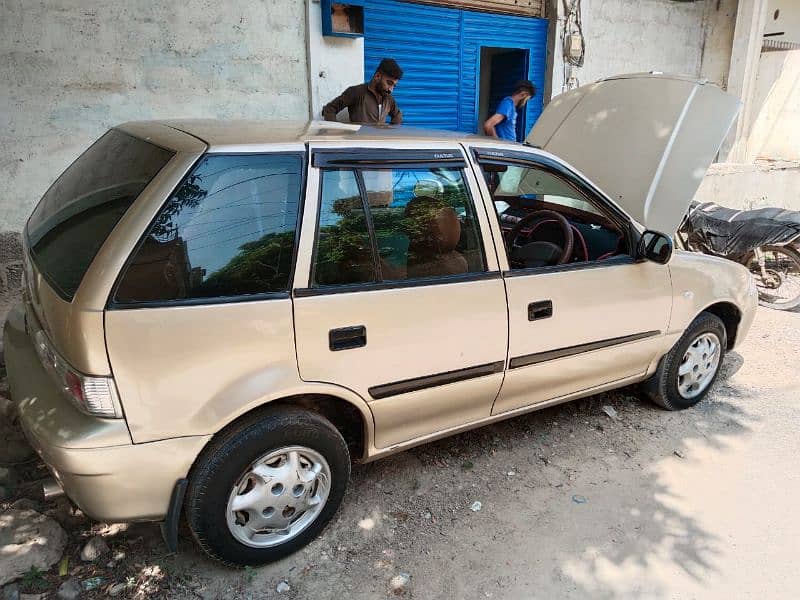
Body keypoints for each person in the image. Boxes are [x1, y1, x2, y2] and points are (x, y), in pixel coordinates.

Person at [322, 58, 404, 125]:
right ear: (377, 76)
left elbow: (397, 115)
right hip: (360, 143)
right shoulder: (356, 92)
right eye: (389, 83)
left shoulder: (389, 99)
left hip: (379, 144)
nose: (391, 89)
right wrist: (335, 132)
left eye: (394, 86)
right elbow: (329, 109)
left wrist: (390, 132)